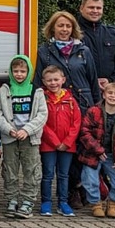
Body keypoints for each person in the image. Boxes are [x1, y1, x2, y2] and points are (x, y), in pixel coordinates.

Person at [0, 54, 47, 219]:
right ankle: (12, 200)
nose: (19, 74)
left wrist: (27, 130)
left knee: (31, 170)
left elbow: (42, 114)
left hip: (29, 138)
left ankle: (28, 201)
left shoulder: (36, 90)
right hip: (10, 137)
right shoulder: (4, 89)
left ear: (28, 72)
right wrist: (8, 129)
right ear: (10, 72)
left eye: (23, 71)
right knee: (10, 170)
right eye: (15, 71)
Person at [77, 82, 115, 219]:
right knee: (90, 180)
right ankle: (96, 204)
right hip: (93, 153)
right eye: (110, 93)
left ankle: (113, 204)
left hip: (113, 155)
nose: (112, 96)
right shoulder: (93, 111)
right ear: (104, 94)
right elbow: (85, 132)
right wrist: (97, 149)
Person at [39, 65, 82, 216]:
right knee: (48, 174)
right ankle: (46, 202)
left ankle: (63, 202)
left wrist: (67, 142)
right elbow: (41, 122)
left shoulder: (70, 100)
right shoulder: (42, 99)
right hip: (48, 145)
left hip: (67, 146)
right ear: (44, 81)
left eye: (56, 79)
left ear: (63, 80)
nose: (53, 83)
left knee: (64, 175)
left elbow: (76, 123)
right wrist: (56, 142)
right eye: (49, 80)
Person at [36, 11, 99, 110]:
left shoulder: (84, 50)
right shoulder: (44, 51)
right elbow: (38, 82)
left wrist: (98, 107)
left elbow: (93, 81)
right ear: (53, 27)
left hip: (83, 105)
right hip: (57, 106)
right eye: (60, 26)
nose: (65, 29)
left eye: (68, 26)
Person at [77, 0, 115, 92]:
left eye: (98, 8)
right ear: (81, 8)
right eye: (91, 7)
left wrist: (111, 81)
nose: (95, 11)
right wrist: (92, 81)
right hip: (82, 90)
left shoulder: (113, 33)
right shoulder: (72, 33)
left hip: (109, 91)